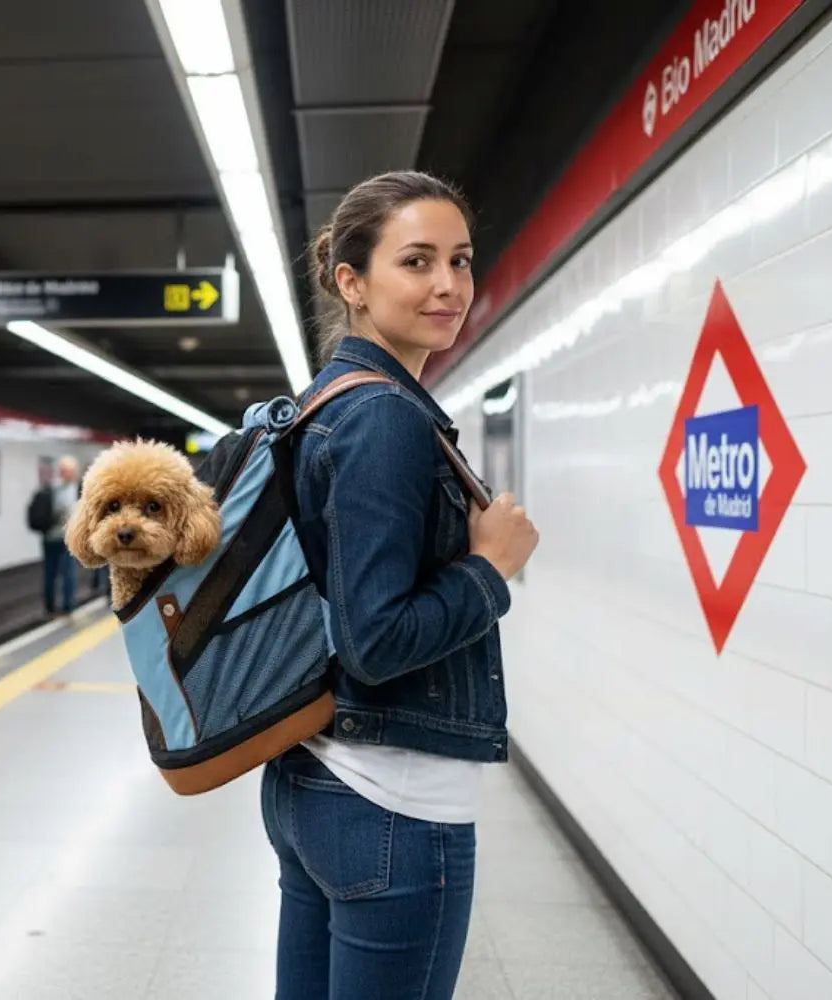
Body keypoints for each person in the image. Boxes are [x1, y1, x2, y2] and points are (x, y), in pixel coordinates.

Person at [260, 171, 539, 1000]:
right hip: (392, 799)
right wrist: (490, 568)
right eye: (416, 261)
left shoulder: (325, 404)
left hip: (313, 779)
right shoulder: (385, 417)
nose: (448, 284)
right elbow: (375, 641)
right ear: (352, 282)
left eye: (460, 259)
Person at [42, 455, 81, 616]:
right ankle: (60, 606)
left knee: (55, 573)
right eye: (69, 471)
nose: (71, 473)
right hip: (58, 538)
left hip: (58, 538)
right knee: (63, 573)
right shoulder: (61, 489)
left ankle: (61, 606)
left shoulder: (51, 488)